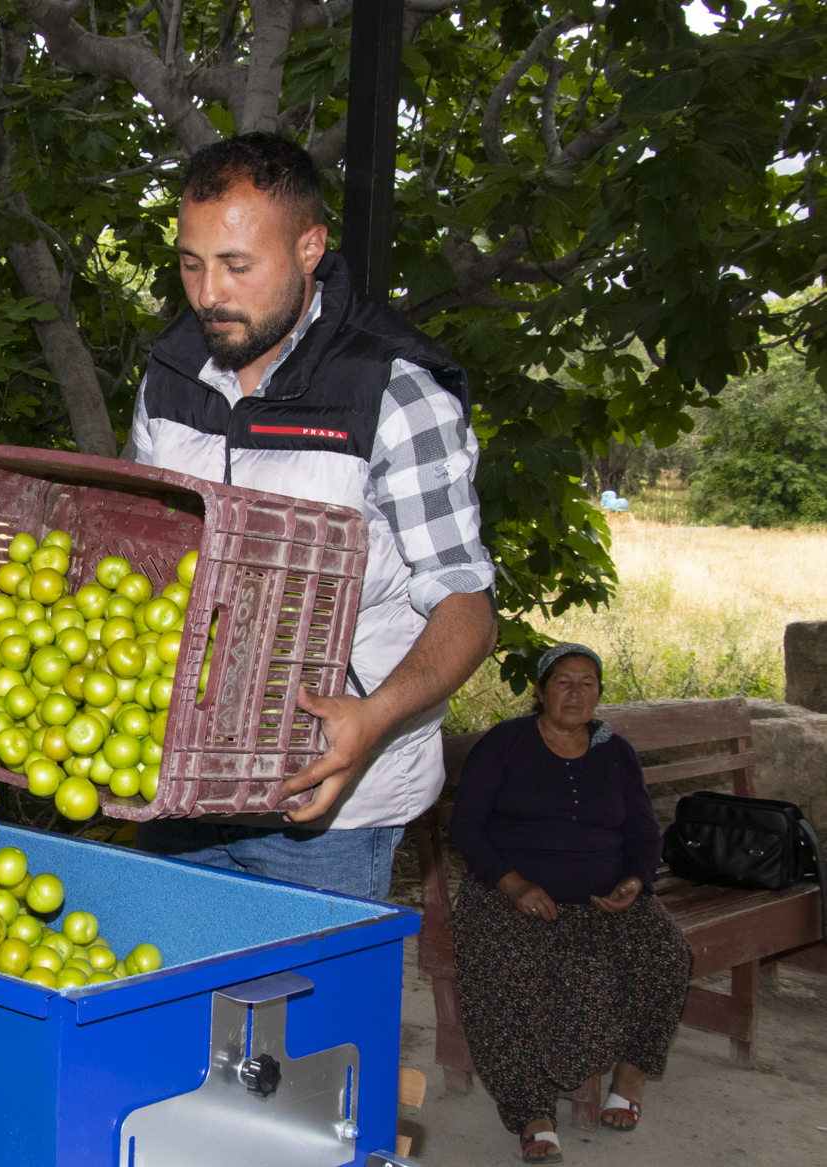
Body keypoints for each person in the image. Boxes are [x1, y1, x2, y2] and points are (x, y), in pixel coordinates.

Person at [127, 132, 498, 899]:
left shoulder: (392, 395)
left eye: (236, 266)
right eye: (190, 263)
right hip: (178, 774)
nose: (207, 295)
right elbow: (146, 552)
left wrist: (371, 718)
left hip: (328, 802)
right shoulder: (168, 376)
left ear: (308, 247)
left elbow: (466, 607)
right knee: (162, 1010)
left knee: (296, 1019)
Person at [448, 643, 693, 1163]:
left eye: (587, 682)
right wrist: (513, 884)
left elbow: (645, 834)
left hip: (605, 899)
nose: (575, 692)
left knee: (668, 953)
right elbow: (465, 825)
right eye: (562, 681)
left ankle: (632, 1072)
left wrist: (634, 882)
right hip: (511, 895)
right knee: (509, 966)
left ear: (600, 694)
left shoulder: (615, 752)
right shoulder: (506, 744)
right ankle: (531, 1107)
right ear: (540, 690)